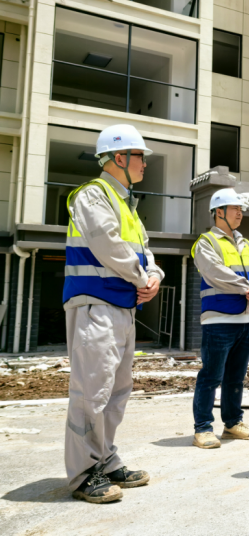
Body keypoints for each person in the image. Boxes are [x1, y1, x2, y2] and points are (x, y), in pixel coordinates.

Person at [62, 124, 164, 503]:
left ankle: (105, 460)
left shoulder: (127, 205)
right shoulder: (93, 195)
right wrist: (142, 276)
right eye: (140, 156)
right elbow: (108, 244)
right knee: (91, 391)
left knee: (117, 391)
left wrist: (154, 276)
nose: (145, 164)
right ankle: (83, 473)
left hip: (122, 307)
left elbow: (145, 252)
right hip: (95, 304)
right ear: (119, 157)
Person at [190, 189, 249, 449]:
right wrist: (248, 289)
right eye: (235, 208)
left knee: (235, 377)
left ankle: (233, 423)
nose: (239, 213)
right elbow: (215, 272)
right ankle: (203, 428)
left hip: (245, 320)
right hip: (218, 320)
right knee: (211, 376)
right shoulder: (206, 242)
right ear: (218, 212)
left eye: (241, 209)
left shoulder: (246, 243)